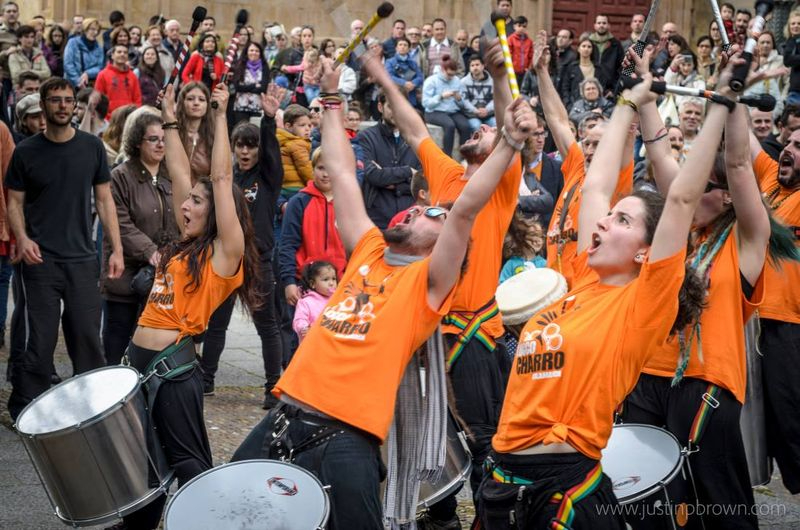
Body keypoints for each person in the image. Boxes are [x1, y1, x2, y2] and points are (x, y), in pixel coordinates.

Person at [233, 51, 537, 530]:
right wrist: (331, 98)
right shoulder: (370, 249)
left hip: (347, 435)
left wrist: (509, 143)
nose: (420, 209)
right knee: (231, 508)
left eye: (433, 216)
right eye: (421, 208)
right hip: (287, 412)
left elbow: (462, 211)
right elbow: (344, 173)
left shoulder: (428, 284)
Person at [481, 50, 736, 530]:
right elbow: (595, 187)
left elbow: (681, 197)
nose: (601, 222)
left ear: (647, 251)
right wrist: (626, 102)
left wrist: (722, 102)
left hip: (561, 482)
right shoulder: (581, 282)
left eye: (622, 220)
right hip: (501, 477)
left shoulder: (642, 303)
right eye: (608, 216)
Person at [363, 37, 520, 527]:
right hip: (422, 327)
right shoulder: (448, 172)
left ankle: (490, 519)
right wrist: (379, 71)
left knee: (483, 440)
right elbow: (411, 123)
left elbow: (510, 129)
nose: (483, 130)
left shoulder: (499, 185)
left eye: (491, 131)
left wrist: (498, 79)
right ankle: (440, 514)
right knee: (418, 434)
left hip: (471, 335)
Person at [625, 49, 770, 530]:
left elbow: (739, 164)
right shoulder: (680, 231)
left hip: (705, 384)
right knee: (658, 502)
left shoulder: (746, 240)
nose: (685, 188)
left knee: (718, 503)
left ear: (724, 195)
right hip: (649, 376)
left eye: (701, 182)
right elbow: (662, 156)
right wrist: (646, 91)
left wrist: (732, 96)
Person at [105, 82, 259, 530]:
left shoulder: (223, 254)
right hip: (137, 363)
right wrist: (169, 117)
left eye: (195, 201)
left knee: (190, 466)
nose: (184, 205)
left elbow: (223, 180)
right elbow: (175, 173)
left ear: (217, 214)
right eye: (187, 199)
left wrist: (219, 114)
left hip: (174, 374)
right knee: (143, 469)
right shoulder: (179, 248)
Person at [6, 77, 124, 420]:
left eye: (68, 100)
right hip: (39, 260)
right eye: (55, 100)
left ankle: (91, 408)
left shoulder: (91, 148)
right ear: (43, 105)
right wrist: (23, 238)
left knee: (87, 337)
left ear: (75, 105)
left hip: (82, 259)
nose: (62, 105)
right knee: (39, 341)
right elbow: (13, 201)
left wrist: (115, 249)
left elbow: (104, 199)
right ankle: (26, 408)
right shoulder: (26, 151)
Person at [199, 92, 284, 411]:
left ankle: (273, 385)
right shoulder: (228, 177)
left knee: (267, 325)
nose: (246, 150)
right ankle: (206, 380)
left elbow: (272, 152)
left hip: (259, 261)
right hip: (227, 259)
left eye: (251, 145)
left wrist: (269, 122)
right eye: (240, 145)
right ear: (233, 148)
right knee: (216, 323)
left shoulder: (268, 177)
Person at [533, 30, 633, 288]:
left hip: (585, 286)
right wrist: (542, 73)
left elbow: (628, 125)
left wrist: (633, 80)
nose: (589, 149)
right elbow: (557, 120)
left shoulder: (615, 178)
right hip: (552, 282)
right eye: (587, 142)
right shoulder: (578, 166)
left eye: (598, 145)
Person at [100, 112, 180, 366]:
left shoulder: (172, 175)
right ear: (137, 142)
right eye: (152, 139)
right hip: (124, 278)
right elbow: (118, 222)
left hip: (160, 280)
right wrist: (149, 251)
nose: (160, 145)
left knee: (151, 351)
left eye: (163, 139)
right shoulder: (120, 176)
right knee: (116, 344)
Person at [749, 119, 800, 496]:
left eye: (799, 148)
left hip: (790, 324)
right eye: (790, 141)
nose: (789, 149)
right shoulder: (769, 179)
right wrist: (731, 84)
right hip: (754, 321)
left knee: (791, 422)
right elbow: (742, 141)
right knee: (772, 428)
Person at [358, 91, 422, 229]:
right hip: (377, 217)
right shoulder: (366, 137)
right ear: (380, 107)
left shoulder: (416, 139)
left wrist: (393, 184)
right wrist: (408, 171)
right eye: (391, 107)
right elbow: (372, 175)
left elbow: (423, 180)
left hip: (409, 219)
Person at [422, 54, 472, 157]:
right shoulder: (431, 81)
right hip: (434, 111)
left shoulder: (457, 80)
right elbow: (426, 103)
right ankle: (447, 156)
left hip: (453, 111)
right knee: (450, 125)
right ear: (442, 70)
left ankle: (465, 156)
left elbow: (462, 103)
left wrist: (459, 99)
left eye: (452, 75)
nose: (450, 78)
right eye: (448, 75)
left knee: (466, 126)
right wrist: (440, 97)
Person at [519, 119, 562, 227]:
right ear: (524, 137)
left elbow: (560, 205)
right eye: (535, 134)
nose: (540, 139)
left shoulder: (557, 167)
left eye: (543, 134)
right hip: (517, 231)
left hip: (547, 232)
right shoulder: (512, 165)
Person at [558, 34, 611, 110]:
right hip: (575, 107)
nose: (586, 49)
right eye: (583, 46)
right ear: (579, 49)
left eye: (589, 47)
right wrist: (568, 105)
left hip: (596, 107)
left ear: (592, 50)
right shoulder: (571, 67)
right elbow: (565, 88)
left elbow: (603, 86)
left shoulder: (598, 68)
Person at [177, 81, 214, 182]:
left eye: (201, 99)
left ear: (207, 105)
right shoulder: (172, 133)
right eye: (190, 99)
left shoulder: (213, 138)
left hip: (200, 195)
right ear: (182, 103)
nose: (196, 103)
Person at [292, 260, 337, 342]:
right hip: (312, 345)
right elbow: (299, 319)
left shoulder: (338, 299)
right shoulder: (305, 302)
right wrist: (303, 327)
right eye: (326, 279)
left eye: (334, 279)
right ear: (312, 283)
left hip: (332, 344)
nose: (331, 283)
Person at [95, 44, 142, 119]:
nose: (122, 54)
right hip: (108, 119)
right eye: (119, 52)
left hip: (128, 118)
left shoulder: (132, 76)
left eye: (125, 52)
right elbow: (98, 99)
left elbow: (137, 99)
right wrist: (106, 117)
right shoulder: (102, 75)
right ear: (112, 55)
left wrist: (133, 116)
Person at [276, 103, 313, 199]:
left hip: (283, 187)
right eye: (302, 125)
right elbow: (305, 168)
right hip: (296, 188)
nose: (307, 129)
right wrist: (316, 185)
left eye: (309, 125)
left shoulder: (282, 139)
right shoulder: (297, 144)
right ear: (288, 126)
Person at [499, 212, 546, 283]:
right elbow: (502, 286)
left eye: (540, 236)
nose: (538, 240)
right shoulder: (511, 264)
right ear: (520, 238)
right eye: (533, 235)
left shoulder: (544, 263)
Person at [230, 42, 269, 127]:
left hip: (257, 107)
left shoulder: (265, 67)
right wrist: (254, 85)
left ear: (260, 53)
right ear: (246, 52)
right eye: (251, 50)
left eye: (256, 51)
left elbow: (263, 88)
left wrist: (245, 87)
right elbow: (237, 87)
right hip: (241, 107)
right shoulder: (240, 66)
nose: (254, 53)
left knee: (256, 133)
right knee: (241, 131)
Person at [63, 17, 104, 88]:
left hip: (90, 83)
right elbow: (68, 64)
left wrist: (87, 73)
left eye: (97, 30)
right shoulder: (73, 42)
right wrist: (78, 81)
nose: (95, 32)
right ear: (85, 30)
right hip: (72, 84)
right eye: (92, 29)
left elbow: (100, 67)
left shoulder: (99, 48)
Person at [384, 36, 423, 107]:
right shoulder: (390, 62)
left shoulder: (413, 63)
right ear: (396, 48)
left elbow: (420, 77)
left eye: (405, 45)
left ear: (409, 49)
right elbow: (389, 76)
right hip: (396, 95)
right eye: (400, 45)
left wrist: (413, 84)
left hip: (411, 96)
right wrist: (404, 83)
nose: (402, 47)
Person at [588, 14, 624, 89]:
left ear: (608, 25)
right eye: (599, 23)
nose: (601, 25)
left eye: (604, 23)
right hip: (589, 85)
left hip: (609, 89)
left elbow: (621, 68)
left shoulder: (616, 44)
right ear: (594, 25)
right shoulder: (587, 43)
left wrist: (614, 88)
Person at [461, 54, 496, 130]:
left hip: (489, 114)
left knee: (495, 124)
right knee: (476, 126)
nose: (475, 67)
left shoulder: (492, 81)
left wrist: (486, 109)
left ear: (483, 66)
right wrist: (476, 111)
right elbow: (465, 101)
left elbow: (495, 99)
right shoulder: (464, 82)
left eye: (477, 65)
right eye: (472, 65)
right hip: (472, 115)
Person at [508, 16, 532, 81]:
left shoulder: (529, 41)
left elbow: (531, 56)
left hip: (525, 72)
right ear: (514, 27)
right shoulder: (510, 39)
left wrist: (529, 68)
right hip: (513, 71)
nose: (521, 28)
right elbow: (508, 55)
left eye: (524, 26)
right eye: (519, 26)